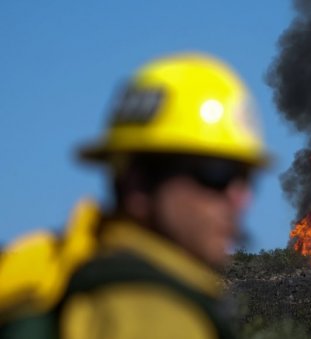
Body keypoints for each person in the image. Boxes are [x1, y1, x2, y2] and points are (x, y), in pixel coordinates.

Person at [0, 53, 268, 339]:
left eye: (245, 178)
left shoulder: (55, 275)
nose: (240, 198)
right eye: (217, 173)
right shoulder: (159, 317)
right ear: (137, 183)